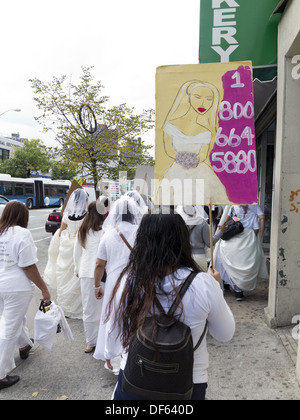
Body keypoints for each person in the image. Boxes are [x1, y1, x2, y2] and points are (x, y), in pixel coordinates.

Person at [103, 211, 235, 400]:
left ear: (141, 241)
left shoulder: (128, 281)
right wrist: (216, 286)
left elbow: (114, 328)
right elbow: (225, 334)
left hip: (135, 379)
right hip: (188, 384)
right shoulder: (204, 284)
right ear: (182, 241)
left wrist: (109, 353)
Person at [0, 201, 51, 389]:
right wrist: (44, 289)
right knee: (8, 328)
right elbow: (28, 266)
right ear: (23, 216)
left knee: (12, 320)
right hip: (16, 287)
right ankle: (0, 374)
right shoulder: (22, 234)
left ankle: (24, 345)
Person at [93, 196, 147, 372]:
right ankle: (134, 352)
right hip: (137, 278)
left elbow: (100, 264)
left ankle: (114, 355)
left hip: (114, 281)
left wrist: (96, 285)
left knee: (114, 316)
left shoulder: (108, 235)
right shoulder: (141, 233)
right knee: (135, 315)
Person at [157, 80, 230, 205]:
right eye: (197, 97)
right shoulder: (171, 125)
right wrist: (183, 159)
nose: (203, 103)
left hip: (200, 171)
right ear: (188, 97)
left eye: (209, 99)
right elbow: (168, 149)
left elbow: (203, 154)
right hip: (176, 171)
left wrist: (194, 161)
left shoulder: (206, 131)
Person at [44, 188, 89, 318]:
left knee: (64, 276)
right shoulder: (87, 215)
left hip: (66, 248)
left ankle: (65, 307)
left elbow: (61, 231)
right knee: (77, 276)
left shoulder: (67, 214)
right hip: (80, 246)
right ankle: (78, 307)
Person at [73, 198, 109, 353]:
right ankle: (103, 341)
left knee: (88, 309)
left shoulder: (83, 230)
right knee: (104, 308)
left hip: (87, 272)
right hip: (104, 273)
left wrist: (76, 269)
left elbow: (76, 252)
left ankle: (90, 342)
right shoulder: (106, 230)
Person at [214, 204, 268, 301]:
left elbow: (229, 218)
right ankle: (239, 291)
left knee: (226, 260)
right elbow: (262, 218)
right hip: (248, 239)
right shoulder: (255, 206)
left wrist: (231, 221)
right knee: (244, 263)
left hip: (233, 237)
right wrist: (260, 234)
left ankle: (228, 284)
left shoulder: (234, 206)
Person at [176, 205, 225, 270]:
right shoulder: (202, 223)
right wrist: (221, 232)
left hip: (184, 257)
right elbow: (210, 243)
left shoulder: (179, 224)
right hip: (199, 257)